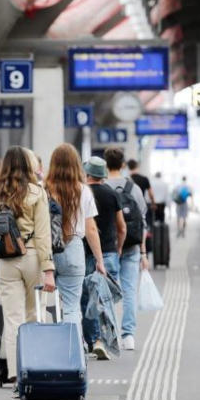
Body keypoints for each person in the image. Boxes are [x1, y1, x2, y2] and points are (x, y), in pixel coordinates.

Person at [0, 147, 55, 387]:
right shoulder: (37, 192)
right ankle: (31, 366)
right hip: (32, 259)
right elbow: (43, 235)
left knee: (12, 319)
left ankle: (14, 372)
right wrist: (48, 269)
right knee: (32, 316)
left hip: (5, 262)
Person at [44, 145, 107, 337]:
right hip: (73, 248)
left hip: (45, 251)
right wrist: (99, 260)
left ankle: (45, 349)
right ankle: (71, 354)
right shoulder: (84, 191)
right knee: (71, 306)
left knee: (41, 305)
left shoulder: (42, 189)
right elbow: (91, 229)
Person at [104, 148, 149, 351]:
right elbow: (142, 221)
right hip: (131, 245)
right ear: (123, 165)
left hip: (108, 246)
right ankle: (128, 335)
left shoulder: (100, 186)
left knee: (106, 291)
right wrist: (144, 252)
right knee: (129, 289)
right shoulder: (134, 188)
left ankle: (110, 333)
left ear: (106, 164)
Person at [82, 156, 126, 359]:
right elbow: (122, 227)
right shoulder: (111, 194)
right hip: (108, 253)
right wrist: (119, 249)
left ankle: (94, 340)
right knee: (106, 299)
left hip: (84, 253)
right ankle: (110, 339)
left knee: (87, 300)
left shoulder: (82, 193)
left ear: (87, 173)